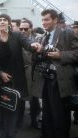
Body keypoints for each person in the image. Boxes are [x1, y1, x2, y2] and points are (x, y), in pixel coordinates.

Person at [31, 9, 78, 138]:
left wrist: (60, 55)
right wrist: (38, 51)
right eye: (42, 20)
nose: (44, 23)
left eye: (46, 19)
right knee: (47, 113)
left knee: (60, 115)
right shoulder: (42, 37)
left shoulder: (67, 33)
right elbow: (36, 58)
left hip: (60, 81)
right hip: (45, 79)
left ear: (55, 20)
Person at [0, 13, 41, 138]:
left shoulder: (17, 35)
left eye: (5, 20)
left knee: (14, 108)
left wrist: (33, 45)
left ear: (9, 23)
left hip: (17, 80)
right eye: (0, 20)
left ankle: (11, 133)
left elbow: (27, 43)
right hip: (2, 79)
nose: (2, 22)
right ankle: (4, 133)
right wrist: (0, 72)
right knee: (3, 108)